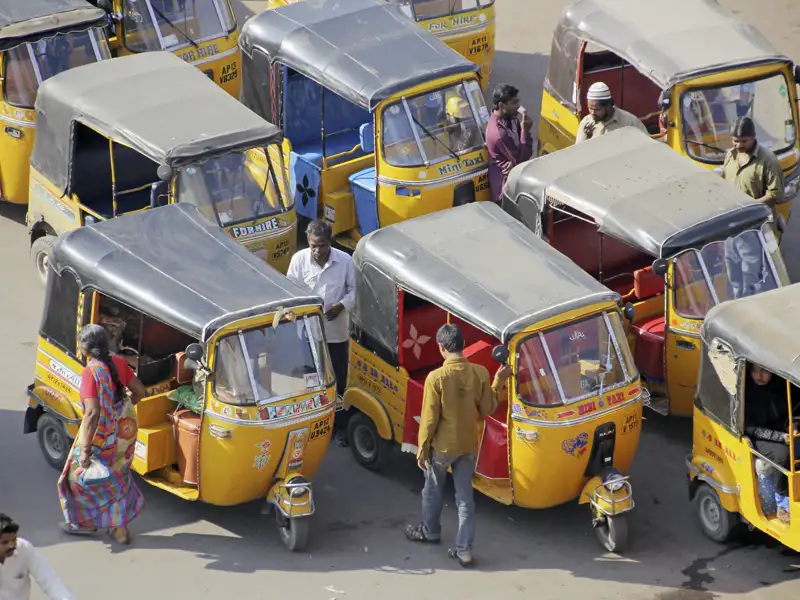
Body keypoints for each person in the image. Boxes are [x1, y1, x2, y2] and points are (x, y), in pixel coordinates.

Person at [404, 324, 512, 568]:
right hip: (467, 446)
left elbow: (429, 419)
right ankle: (464, 550)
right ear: (462, 345)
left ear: (441, 348)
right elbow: (487, 409)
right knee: (465, 499)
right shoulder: (480, 372)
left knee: (432, 490)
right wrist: (498, 381)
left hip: (442, 448)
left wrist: (422, 448)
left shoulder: (436, 378)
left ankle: (430, 531)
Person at [57, 324, 147, 545]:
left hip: (101, 437)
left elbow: (92, 413)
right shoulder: (118, 362)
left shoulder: (90, 372)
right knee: (118, 478)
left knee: (75, 479)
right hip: (125, 434)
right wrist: (124, 407)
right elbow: (140, 391)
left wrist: (86, 450)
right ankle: (119, 527)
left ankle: (83, 522)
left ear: (85, 349)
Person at [287, 220, 356, 446]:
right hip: (307, 333)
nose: (317, 251)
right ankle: (312, 423)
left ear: (330, 242)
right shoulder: (299, 260)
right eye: (313, 245)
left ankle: (340, 428)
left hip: (336, 333)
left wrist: (342, 306)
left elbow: (355, 290)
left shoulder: (345, 261)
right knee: (309, 380)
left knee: (338, 380)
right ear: (308, 242)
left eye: (322, 245)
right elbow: (290, 291)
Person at [744, 364, 798, 524]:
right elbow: (752, 428)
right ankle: (782, 503)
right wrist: (780, 437)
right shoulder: (748, 393)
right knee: (784, 454)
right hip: (759, 436)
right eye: (754, 371)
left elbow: (793, 409)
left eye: (764, 371)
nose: (759, 376)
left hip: (781, 431)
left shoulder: (781, 386)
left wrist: (793, 425)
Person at [721, 116, 784, 221]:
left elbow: (775, 194)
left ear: (754, 136)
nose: (739, 145)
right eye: (735, 141)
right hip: (733, 219)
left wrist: (749, 208)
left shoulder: (768, 159)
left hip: (758, 221)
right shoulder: (730, 155)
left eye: (744, 141)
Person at [0, 514, 73, 600]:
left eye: (14, 540)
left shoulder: (24, 548)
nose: (11, 545)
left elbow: (49, 580)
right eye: (5, 542)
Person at [486, 84, 533, 204]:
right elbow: (523, 157)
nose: (518, 107)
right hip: (506, 193)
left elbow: (519, 155)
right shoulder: (498, 133)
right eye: (514, 103)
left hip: (517, 182)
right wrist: (525, 132)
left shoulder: (511, 116)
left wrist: (515, 160)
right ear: (502, 106)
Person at [575, 82, 648, 143]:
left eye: (597, 109)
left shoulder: (629, 122)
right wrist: (588, 138)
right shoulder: (586, 123)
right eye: (590, 108)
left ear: (608, 106)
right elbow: (578, 152)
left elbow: (647, 145)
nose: (592, 113)